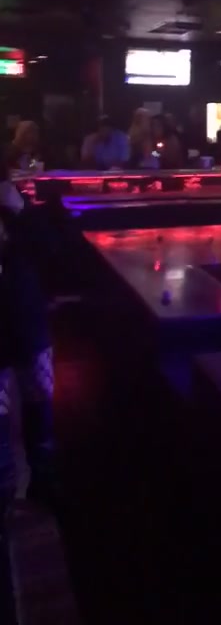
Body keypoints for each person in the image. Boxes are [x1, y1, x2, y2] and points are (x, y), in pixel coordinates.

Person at [0, 161, 55, 519]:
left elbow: (50, 249)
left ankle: (42, 484)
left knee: (40, 403)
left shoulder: (14, 201)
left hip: (25, 312)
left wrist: (20, 209)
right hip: (21, 314)